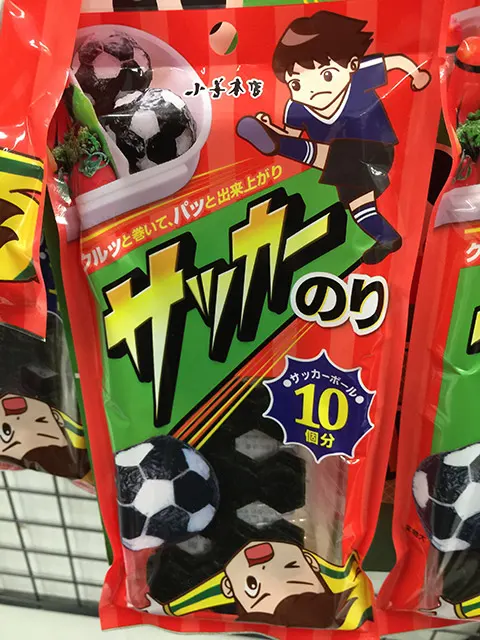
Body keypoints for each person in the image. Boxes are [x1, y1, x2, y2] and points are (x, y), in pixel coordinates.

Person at [237, 11, 431, 264]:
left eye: (326, 75)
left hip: (376, 151)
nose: (312, 90)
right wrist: (271, 128)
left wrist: (417, 75)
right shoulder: (296, 108)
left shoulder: (360, 76)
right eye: (296, 85)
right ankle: (387, 237)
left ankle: (278, 145)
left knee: (332, 153)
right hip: (344, 168)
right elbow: (294, 136)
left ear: (351, 65)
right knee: (359, 206)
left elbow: (396, 61)